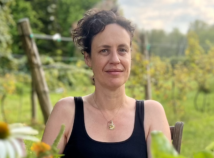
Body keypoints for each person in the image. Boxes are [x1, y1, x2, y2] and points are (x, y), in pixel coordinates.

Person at [42, 8, 171, 158]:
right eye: (104, 50)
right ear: (88, 58)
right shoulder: (66, 112)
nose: (115, 60)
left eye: (122, 50)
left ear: (130, 55)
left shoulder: (152, 113)